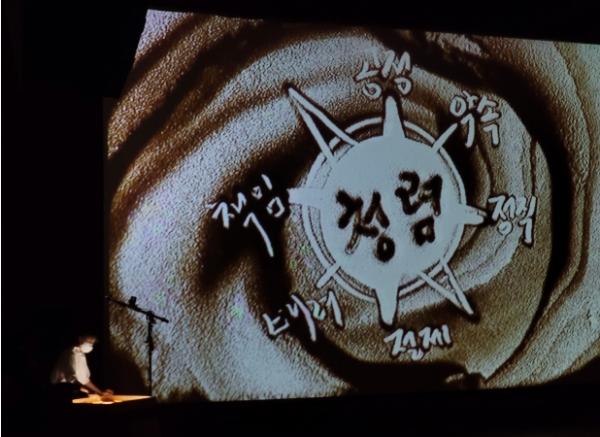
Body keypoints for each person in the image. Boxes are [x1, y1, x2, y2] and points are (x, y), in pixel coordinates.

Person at [50, 334, 112, 401]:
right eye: (89, 341)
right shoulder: (74, 354)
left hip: (64, 389)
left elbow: (80, 379)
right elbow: (81, 379)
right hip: (62, 391)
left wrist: (97, 392)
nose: (90, 345)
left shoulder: (76, 353)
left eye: (92, 343)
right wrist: (100, 392)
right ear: (80, 339)